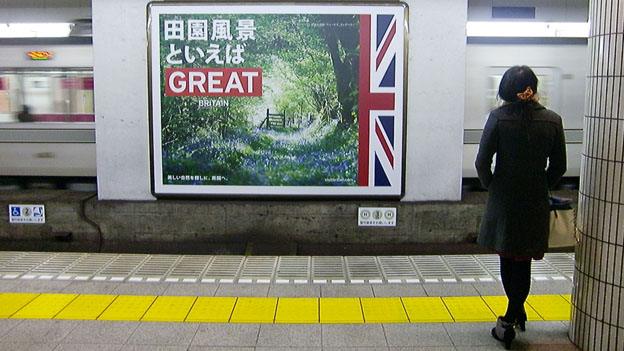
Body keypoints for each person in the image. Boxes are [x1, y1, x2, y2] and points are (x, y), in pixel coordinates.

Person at [475, 65, 567, 349]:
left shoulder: (498, 118)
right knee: (523, 261)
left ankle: (509, 319)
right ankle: (516, 309)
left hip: (504, 200)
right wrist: (541, 185)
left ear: (505, 90)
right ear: (533, 88)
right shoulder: (553, 120)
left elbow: (481, 162)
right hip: (534, 200)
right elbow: (559, 167)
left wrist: (493, 186)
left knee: (507, 258)